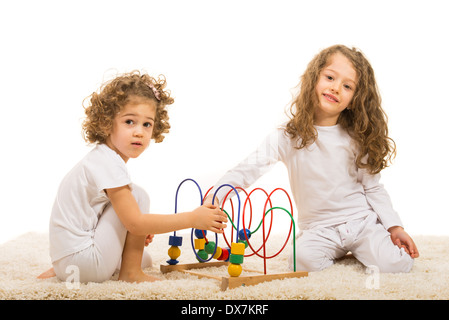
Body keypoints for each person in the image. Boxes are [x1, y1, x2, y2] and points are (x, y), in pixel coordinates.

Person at [206, 45, 419, 273]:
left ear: (355, 99)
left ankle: (363, 249)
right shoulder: (286, 137)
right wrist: (215, 196)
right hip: (318, 229)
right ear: (314, 80)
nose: (336, 88)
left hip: (361, 223)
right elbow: (248, 169)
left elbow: (373, 188)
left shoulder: (356, 138)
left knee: (397, 265)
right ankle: (344, 254)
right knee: (301, 263)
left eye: (347, 86)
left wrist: (394, 227)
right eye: (329, 77)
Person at [38, 71, 227, 283]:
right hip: (83, 261)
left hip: (69, 262)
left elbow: (110, 218)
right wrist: (192, 219)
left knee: (144, 258)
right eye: (129, 122)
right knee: (137, 195)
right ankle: (131, 274)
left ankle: (69, 269)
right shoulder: (108, 163)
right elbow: (136, 223)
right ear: (107, 123)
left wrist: (129, 234)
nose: (139, 132)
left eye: (147, 124)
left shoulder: (101, 159)